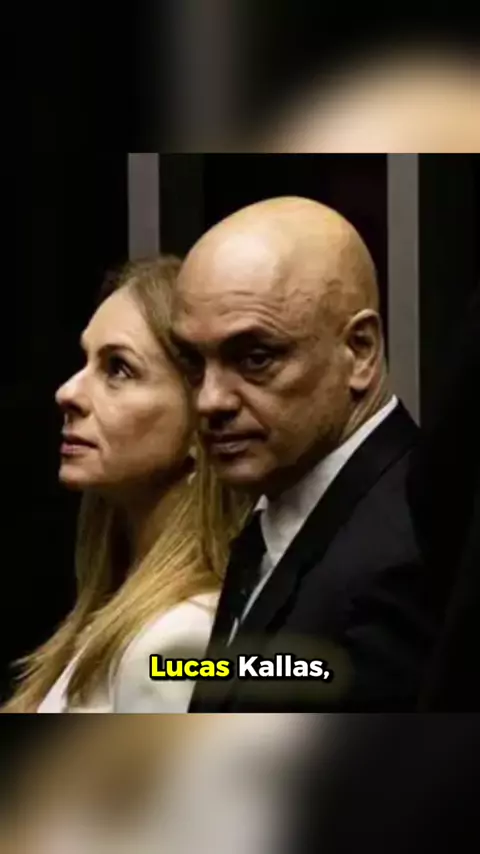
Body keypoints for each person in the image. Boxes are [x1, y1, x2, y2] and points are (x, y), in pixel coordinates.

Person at [170, 196, 438, 712]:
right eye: (193, 363)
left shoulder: (408, 550)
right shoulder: (280, 508)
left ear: (360, 351)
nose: (209, 400)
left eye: (256, 358)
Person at [1, 255, 247, 714]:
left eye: (118, 369)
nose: (68, 392)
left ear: (201, 417)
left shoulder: (178, 638)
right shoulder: (117, 609)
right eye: (86, 361)